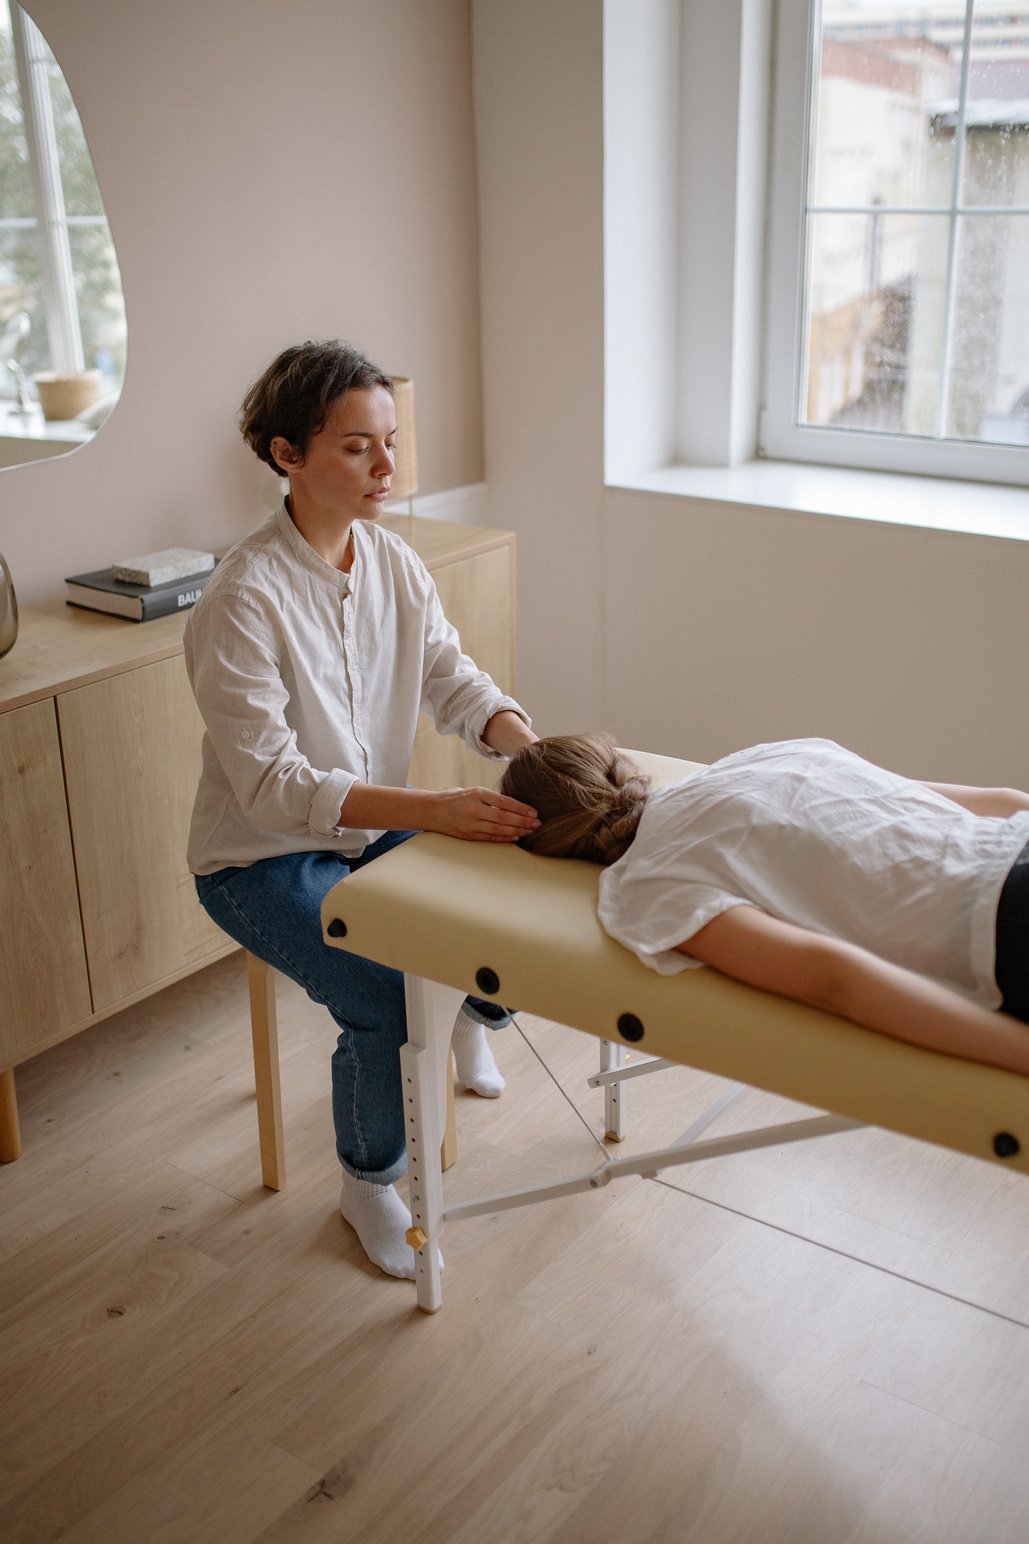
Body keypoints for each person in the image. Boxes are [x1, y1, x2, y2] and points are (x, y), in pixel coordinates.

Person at [185, 340, 539, 1279]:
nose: (387, 469)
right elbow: (273, 788)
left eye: (390, 442)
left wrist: (522, 745)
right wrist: (433, 808)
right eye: (356, 448)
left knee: (518, 871)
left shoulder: (392, 562)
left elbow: (450, 678)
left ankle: (469, 1013)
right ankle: (367, 1183)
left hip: (371, 829)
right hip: (260, 859)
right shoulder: (240, 601)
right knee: (381, 997)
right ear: (285, 454)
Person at [499, 734, 1029, 1075]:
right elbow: (1002, 800)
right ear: (618, 761)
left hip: (1003, 923)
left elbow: (834, 978)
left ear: (554, 846)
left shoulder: (647, 885)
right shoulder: (768, 754)